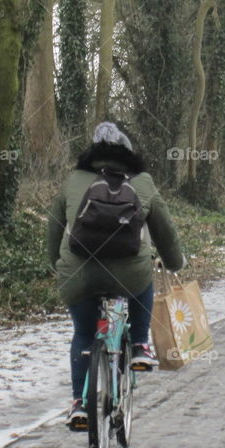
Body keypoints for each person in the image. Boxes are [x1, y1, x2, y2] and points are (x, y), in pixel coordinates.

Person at [46, 122, 185, 430]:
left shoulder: (74, 180)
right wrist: (175, 263)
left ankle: (79, 405)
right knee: (143, 278)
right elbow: (164, 229)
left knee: (84, 334)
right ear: (128, 152)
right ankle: (138, 345)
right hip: (130, 274)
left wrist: (55, 262)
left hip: (79, 273)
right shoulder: (143, 182)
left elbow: (54, 224)